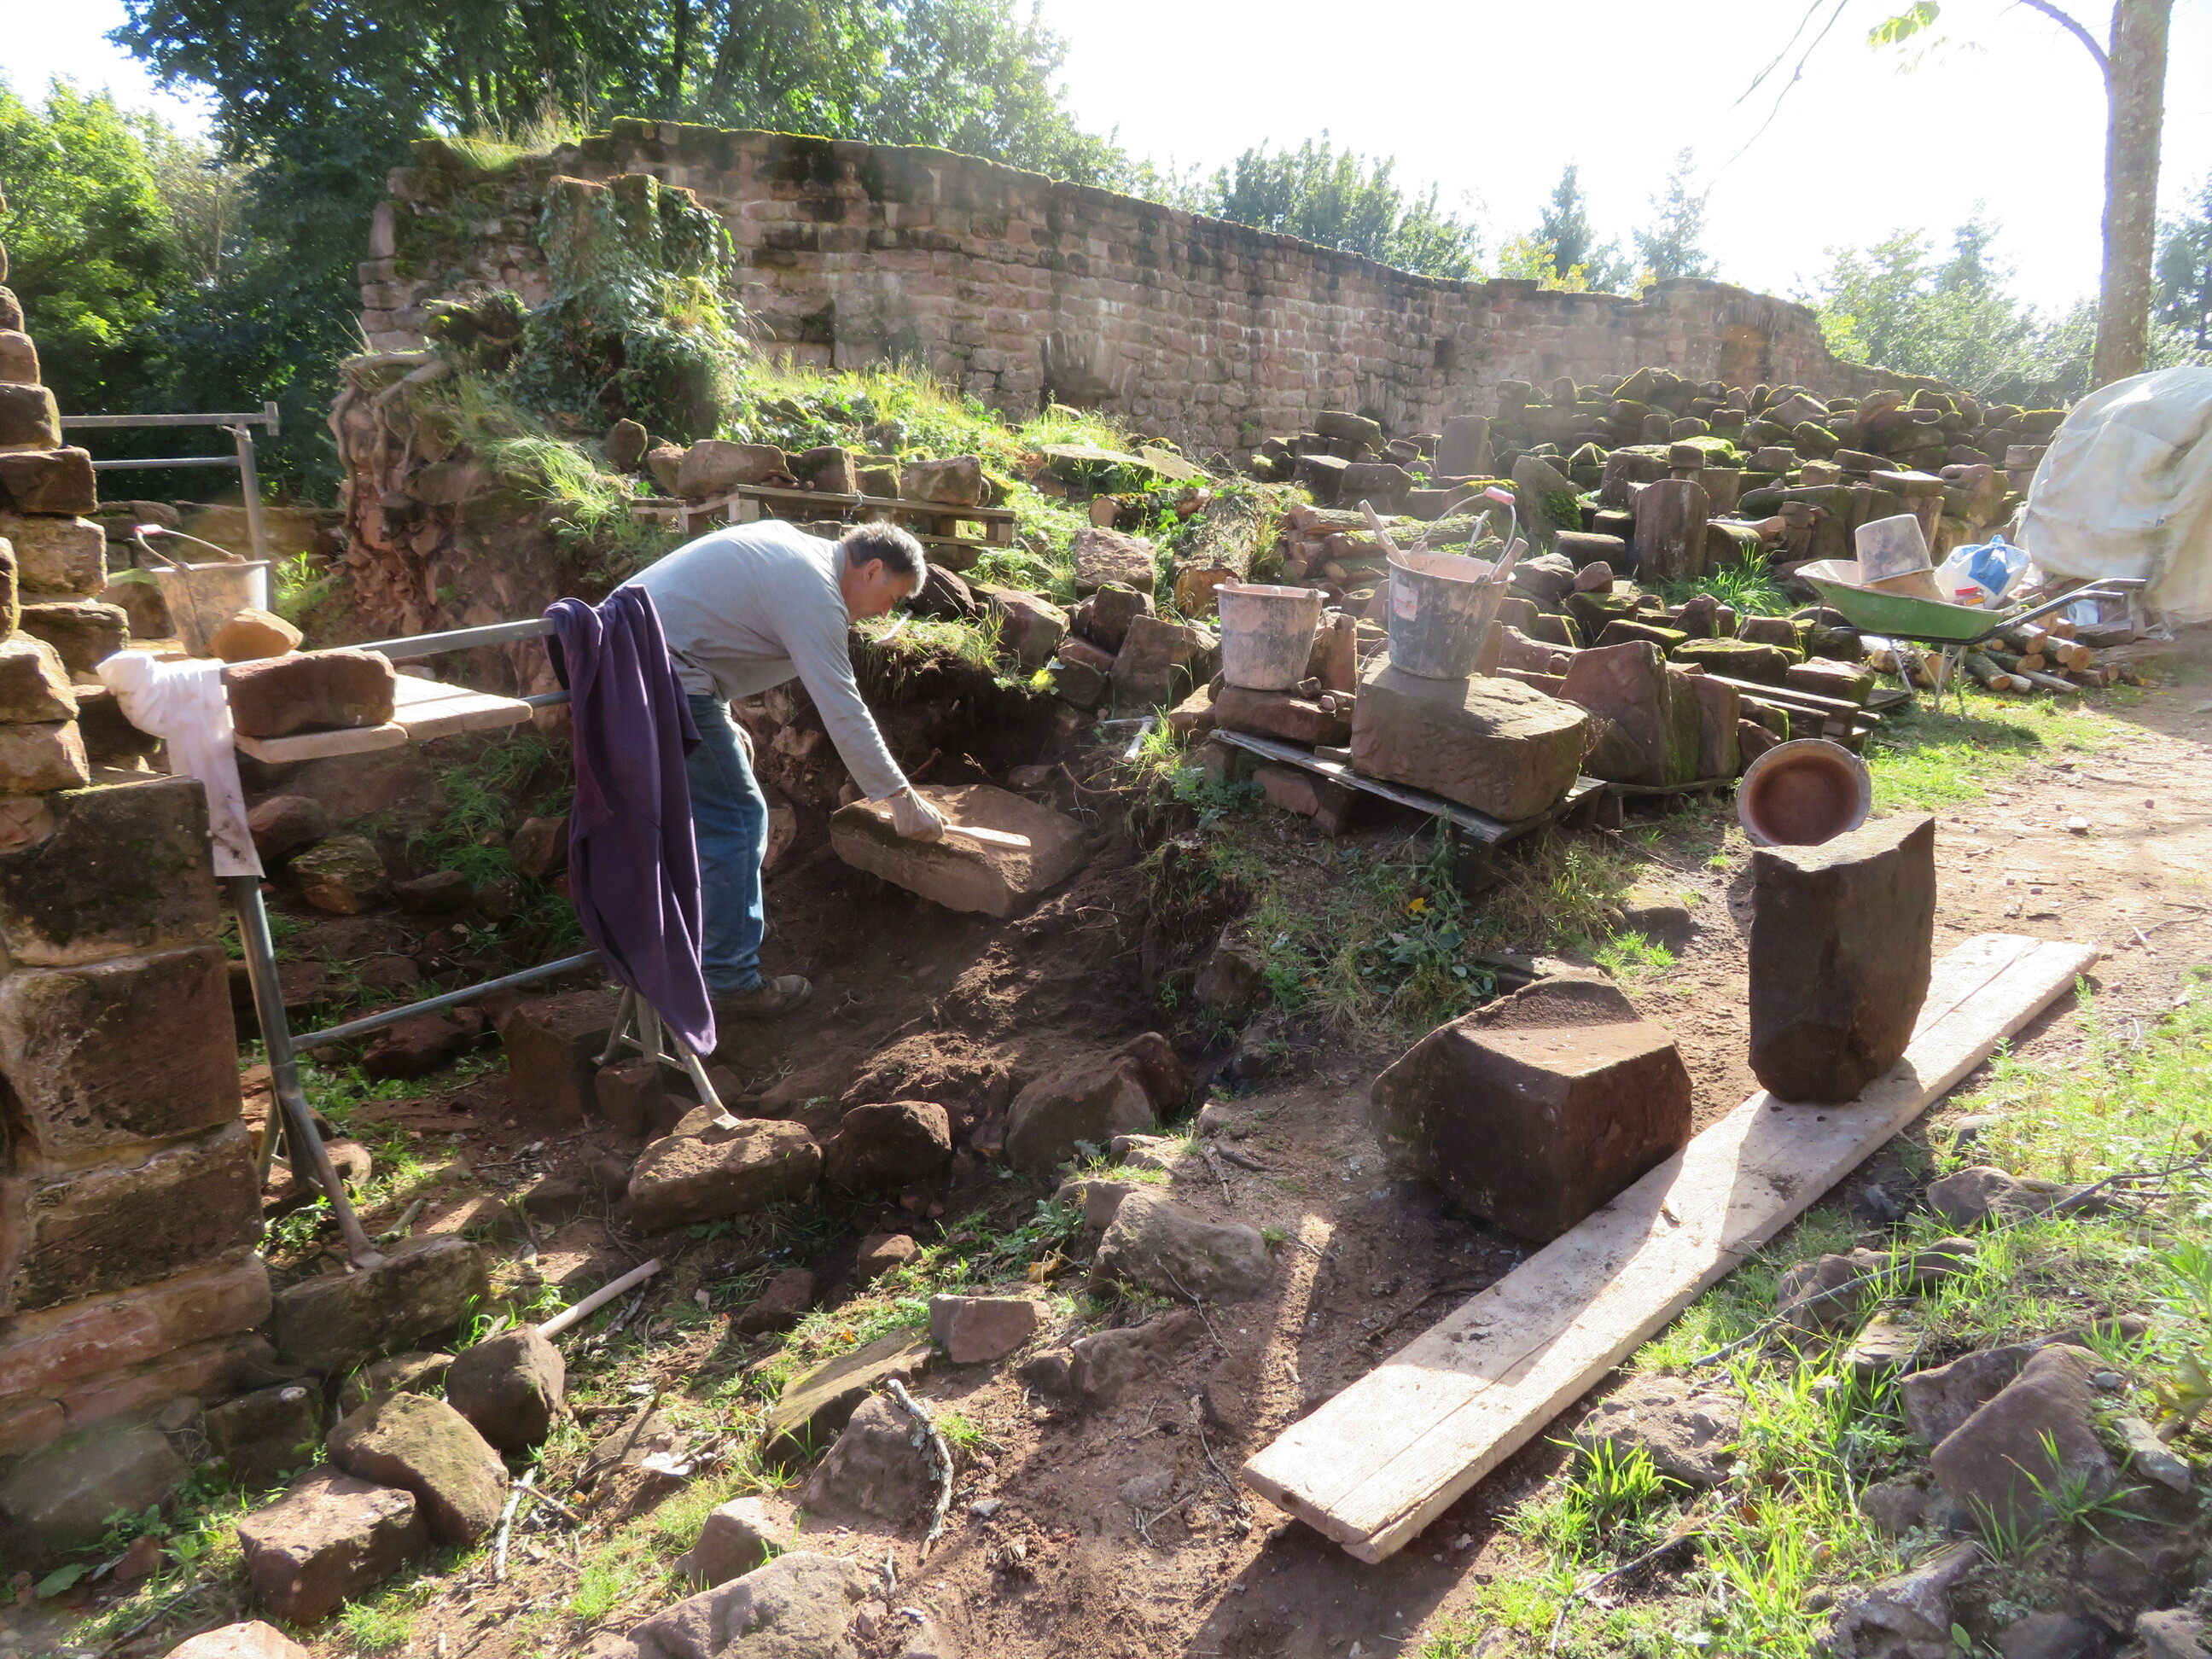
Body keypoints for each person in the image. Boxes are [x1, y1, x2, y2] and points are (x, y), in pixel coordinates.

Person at [629, 517, 944, 1019]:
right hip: (655, 674)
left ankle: (721, 927)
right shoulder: (815, 593)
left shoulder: (795, 552)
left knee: (718, 814)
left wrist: (720, 714)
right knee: (738, 820)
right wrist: (899, 797)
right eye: (892, 597)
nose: (887, 612)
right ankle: (728, 981)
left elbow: (715, 629)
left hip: (639, 661)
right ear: (872, 570)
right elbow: (842, 707)